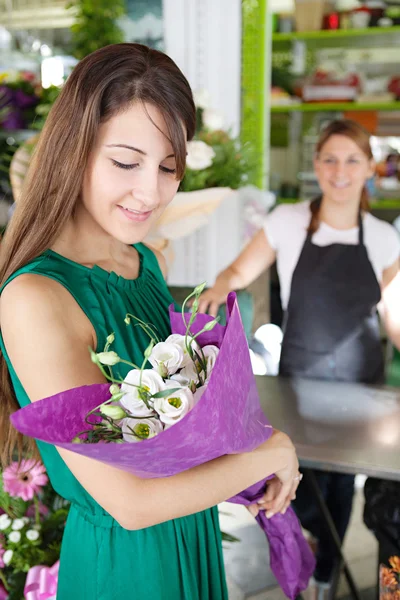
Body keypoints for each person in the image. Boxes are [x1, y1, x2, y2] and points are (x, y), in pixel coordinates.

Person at [0, 44, 301, 600]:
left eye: (168, 167)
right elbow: (129, 501)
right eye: (125, 162)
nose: (151, 192)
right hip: (126, 565)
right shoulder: (36, 296)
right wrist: (272, 452)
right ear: (74, 150)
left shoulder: (145, 263)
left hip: (192, 535)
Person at [197, 119, 400, 586]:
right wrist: (218, 291)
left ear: (369, 167)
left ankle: (324, 576)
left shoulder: (383, 238)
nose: (340, 170)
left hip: (360, 388)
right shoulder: (287, 221)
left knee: (342, 486)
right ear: (316, 165)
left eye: (352, 159)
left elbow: (393, 318)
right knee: (295, 480)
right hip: (299, 382)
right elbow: (236, 271)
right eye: (329, 158)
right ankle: (306, 553)